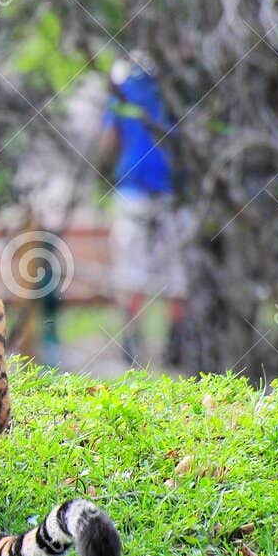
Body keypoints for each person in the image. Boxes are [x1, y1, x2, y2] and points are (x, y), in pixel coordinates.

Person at [97, 54, 191, 366]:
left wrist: (101, 173)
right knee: (176, 275)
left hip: (132, 191)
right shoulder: (174, 92)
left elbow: (108, 141)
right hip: (171, 193)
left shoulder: (123, 92)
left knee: (131, 273)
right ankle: (173, 348)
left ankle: (131, 347)